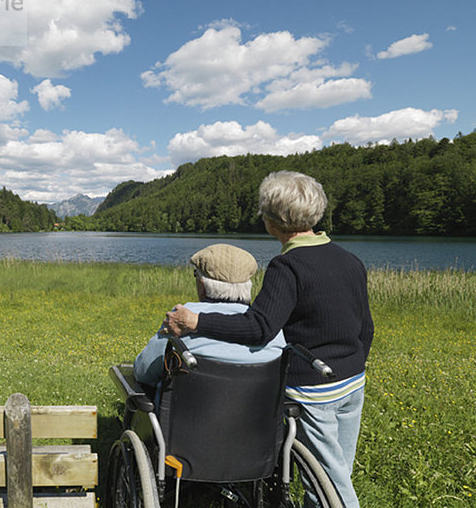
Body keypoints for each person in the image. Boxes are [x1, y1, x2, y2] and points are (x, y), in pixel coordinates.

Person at [164, 171, 374, 508]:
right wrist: (353, 364)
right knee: (335, 472)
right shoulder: (350, 260)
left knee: (331, 486)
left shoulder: (287, 266)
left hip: (313, 389)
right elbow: (366, 327)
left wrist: (196, 320)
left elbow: (259, 326)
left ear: (272, 221)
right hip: (352, 382)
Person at [134, 243, 285, 391]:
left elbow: (143, 371)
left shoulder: (182, 318)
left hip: (185, 413)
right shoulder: (270, 326)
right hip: (258, 414)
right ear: (248, 286)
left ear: (202, 285)